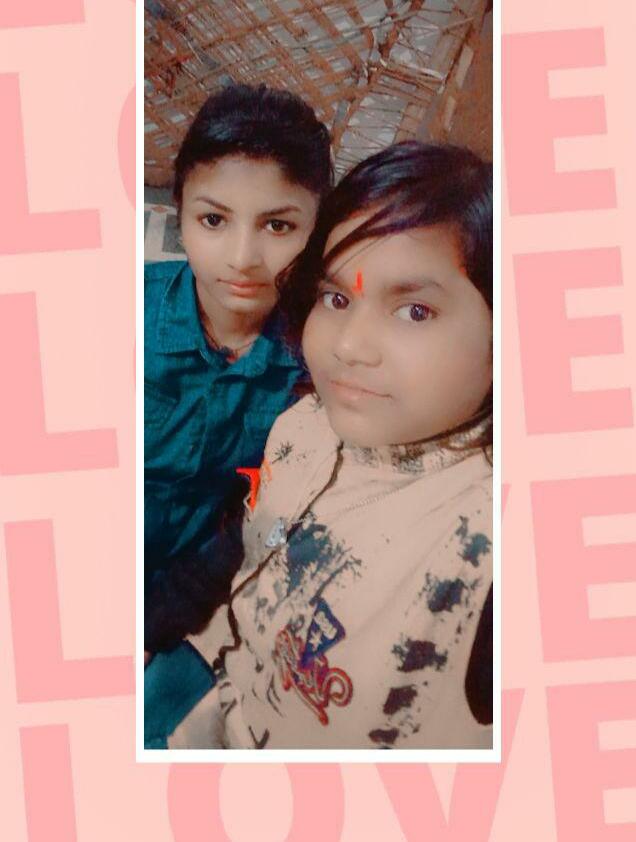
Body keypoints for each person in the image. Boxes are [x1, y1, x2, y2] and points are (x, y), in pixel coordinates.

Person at [152, 140, 493, 749]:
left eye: (415, 311)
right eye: (337, 298)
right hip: (207, 671)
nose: (348, 346)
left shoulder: (484, 543)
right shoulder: (307, 422)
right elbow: (251, 537)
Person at [144, 83, 332, 594]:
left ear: (316, 231)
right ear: (179, 216)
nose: (243, 257)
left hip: (200, 593)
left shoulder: (316, 358)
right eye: (213, 220)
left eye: (278, 225)